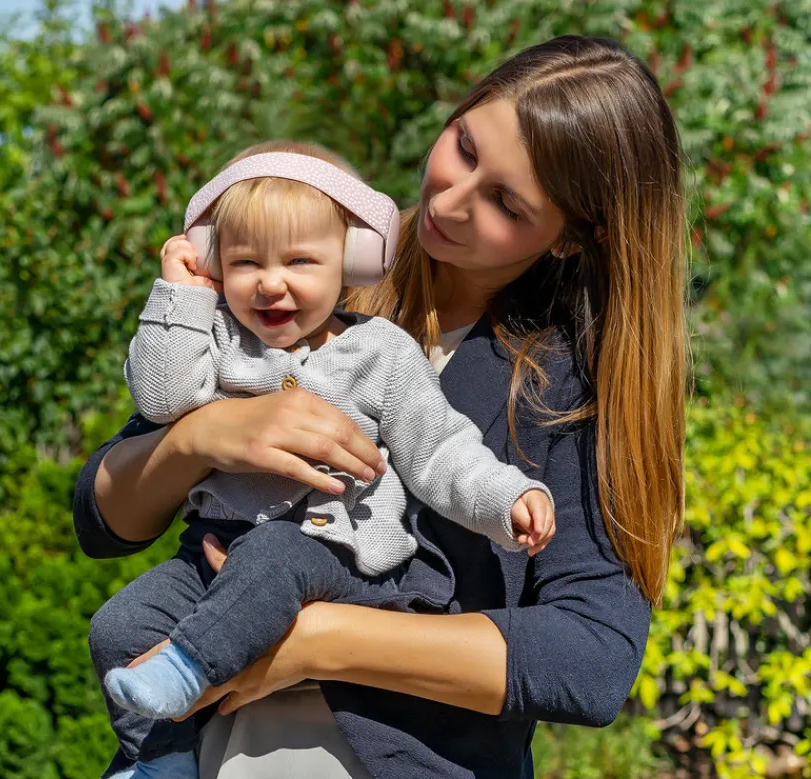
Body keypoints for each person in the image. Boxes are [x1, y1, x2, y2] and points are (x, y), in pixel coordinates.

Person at [76, 35, 687, 779]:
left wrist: (315, 638)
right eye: (463, 146)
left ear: (568, 240)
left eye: (505, 202)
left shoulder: (563, 388)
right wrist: (203, 437)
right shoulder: (301, 276)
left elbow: (591, 660)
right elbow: (105, 516)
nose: (450, 199)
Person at [102, 140, 556, 778]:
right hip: (209, 554)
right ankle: (158, 765)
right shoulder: (216, 338)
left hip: (333, 556)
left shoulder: (380, 354)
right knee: (120, 626)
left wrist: (504, 499)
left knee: (272, 556)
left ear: (352, 262)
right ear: (214, 263)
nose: (270, 280)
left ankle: (187, 669)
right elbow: (160, 398)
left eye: (299, 260)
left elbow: (443, 450)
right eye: (243, 261)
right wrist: (178, 296)